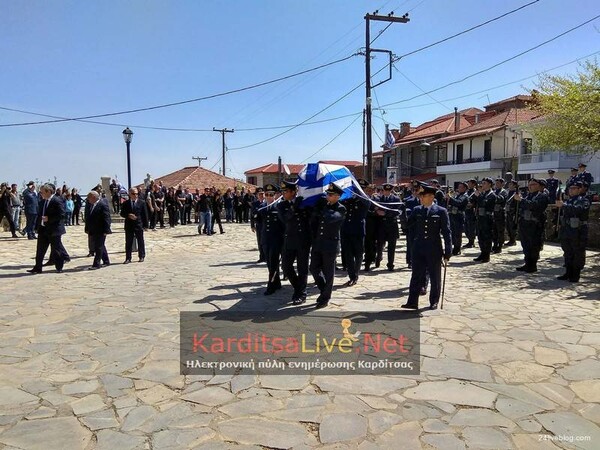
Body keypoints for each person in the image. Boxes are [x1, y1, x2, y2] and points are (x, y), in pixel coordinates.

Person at [401, 185, 452, 310]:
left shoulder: (441, 211)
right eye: (421, 196)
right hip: (418, 248)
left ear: (431, 197)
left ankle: (433, 301)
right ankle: (412, 301)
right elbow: (407, 225)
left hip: (434, 248)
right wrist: (401, 213)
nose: (421, 199)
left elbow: (446, 232)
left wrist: (448, 251)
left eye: (423, 196)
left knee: (435, 276)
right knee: (416, 275)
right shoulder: (417, 210)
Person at [310, 183, 346, 308]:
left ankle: (325, 297)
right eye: (327, 194)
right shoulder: (323, 206)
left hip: (330, 244)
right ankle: (323, 288)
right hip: (318, 243)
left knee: (328, 272)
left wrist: (323, 208)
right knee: (313, 268)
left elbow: (331, 218)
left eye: (331, 194)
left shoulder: (341, 208)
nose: (328, 196)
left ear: (338, 196)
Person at [277, 180, 312, 303]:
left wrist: (302, 204)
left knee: (302, 268)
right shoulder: (281, 205)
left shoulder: (304, 203)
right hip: (290, 240)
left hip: (303, 240)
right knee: (286, 267)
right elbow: (285, 219)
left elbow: (311, 218)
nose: (283, 193)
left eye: (285, 191)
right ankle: (299, 288)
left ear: (293, 192)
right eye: (282, 191)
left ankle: (301, 293)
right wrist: (294, 206)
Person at [27, 183, 68, 273]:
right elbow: (39, 215)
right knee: (40, 250)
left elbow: (62, 215)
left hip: (54, 229)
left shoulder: (56, 201)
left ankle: (59, 267)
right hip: (43, 229)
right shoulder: (42, 201)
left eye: (42, 192)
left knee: (56, 249)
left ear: (48, 192)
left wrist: (49, 219)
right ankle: (38, 267)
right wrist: (37, 226)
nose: (41, 194)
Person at [556, 181, 590, 282]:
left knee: (577, 252)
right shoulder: (568, 201)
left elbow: (579, 210)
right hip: (567, 229)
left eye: (574, 188)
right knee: (567, 251)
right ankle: (568, 272)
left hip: (578, 230)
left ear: (579, 189)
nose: (571, 190)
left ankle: (575, 274)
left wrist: (564, 206)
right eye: (570, 188)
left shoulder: (583, 200)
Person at [514, 178, 549, 273]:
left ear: (538, 186)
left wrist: (521, 200)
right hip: (525, 223)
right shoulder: (527, 195)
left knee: (534, 246)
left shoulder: (542, 196)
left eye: (533, 184)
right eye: (529, 185)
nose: (530, 186)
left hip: (535, 225)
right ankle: (527, 263)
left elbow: (534, 205)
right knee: (525, 245)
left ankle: (532, 265)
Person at [340, 179, 370, 285]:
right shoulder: (347, 199)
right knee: (348, 254)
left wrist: (359, 193)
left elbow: (367, 204)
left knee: (358, 254)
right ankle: (351, 275)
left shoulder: (364, 199)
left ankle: (355, 274)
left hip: (358, 230)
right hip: (346, 229)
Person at [259, 184, 284, 295]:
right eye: (267, 194)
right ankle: (277, 282)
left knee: (273, 262)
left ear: (275, 195)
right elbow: (259, 221)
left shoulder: (279, 206)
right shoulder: (262, 206)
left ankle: (271, 285)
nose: (269, 196)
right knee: (269, 263)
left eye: (271, 194)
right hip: (265, 239)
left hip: (276, 239)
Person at [375, 183, 401, 271]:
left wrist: (386, 213)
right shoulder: (379, 199)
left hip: (392, 225)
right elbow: (375, 209)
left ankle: (390, 264)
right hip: (381, 225)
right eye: (385, 190)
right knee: (379, 245)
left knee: (392, 246)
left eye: (389, 191)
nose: (387, 192)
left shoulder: (396, 199)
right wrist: (377, 212)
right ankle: (378, 259)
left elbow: (398, 211)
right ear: (383, 190)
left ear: (391, 191)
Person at [470, 178, 496, 263]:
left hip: (487, 219)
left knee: (487, 237)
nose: (483, 185)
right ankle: (482, 253)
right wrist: (475, 196)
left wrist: (479, 196)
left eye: (484, 183)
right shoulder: (483, 193)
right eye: (482, 183)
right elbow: (473, 202)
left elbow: (485, 203)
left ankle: (487, 255)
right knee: (480, 237)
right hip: (480, 218)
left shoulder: (492, 195)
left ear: (489, 184)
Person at [120, 188, 148, 263]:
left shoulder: (142, 202)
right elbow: (122, 213)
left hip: (138, 224)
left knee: (140, 241)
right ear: (129, 194)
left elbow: (145, 214)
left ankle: (141, 256)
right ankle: (128, 258)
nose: (135, 195)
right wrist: (128, 215)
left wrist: (146, 225)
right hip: (129, 225)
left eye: (136, 194)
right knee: (128, 242)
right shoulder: (126, 203)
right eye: (133, 194)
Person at [84, 190, 111, 269]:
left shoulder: (102, 205)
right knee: (100, 245)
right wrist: (87, 228)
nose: (88, 200)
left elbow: (107, 218)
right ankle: (106, 261)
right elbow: (88, 218)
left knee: (98, 247)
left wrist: (106, 230)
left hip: (101, 229)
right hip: (93, 229)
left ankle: (96, 264)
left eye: (89, 198)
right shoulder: (91, 205)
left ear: (93, 197)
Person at [445, 181, 468, 255]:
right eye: (459, 187)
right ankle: (454, 246)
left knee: (458, 233)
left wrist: (450, 198)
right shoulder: (457, 195)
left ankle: (457, 248)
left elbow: (459, 203)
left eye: (461, 187)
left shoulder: (465, 196)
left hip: (459, 216)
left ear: (465, 188)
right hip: (453, 215)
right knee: (453, 232)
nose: (459, 188)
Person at [402, 183, 421, 267]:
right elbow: (405, 215)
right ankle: (410, 261)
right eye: (415, 190)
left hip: (422, 226)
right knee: (410, 244)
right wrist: (404, 226)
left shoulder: (425, 200)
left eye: (418, 190)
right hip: (412, 226)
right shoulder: (408, 201)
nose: (416, 192)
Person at [363, 182, 380, 271]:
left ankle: (372, 258)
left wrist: (374, 212)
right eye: (367, 190)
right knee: (367, 244)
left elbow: (379, 212)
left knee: (373, 244)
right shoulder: (363, 199)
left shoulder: (377, 199)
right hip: (365, 224)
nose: (369, 192)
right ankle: (368, 260)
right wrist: (374, 212)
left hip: (374, 225)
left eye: (371, 190)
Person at [492, 178, 508, 254]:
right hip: (494, 213)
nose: (496, 184)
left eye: (498, 183)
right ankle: (495, 245)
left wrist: (493, 195)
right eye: (496, 183)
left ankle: (500, 245)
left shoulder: (504, 192)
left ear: (502, 184)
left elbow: (500, 199)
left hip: (500, 213)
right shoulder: (494, 191)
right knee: (494, 231)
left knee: (500, 231)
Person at [250, 188, 266, 262]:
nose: (261, 195)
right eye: (259, 194)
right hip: (259, 225)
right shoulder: (254, 204)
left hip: (266, 225)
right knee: (260, 241)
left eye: (262, 194)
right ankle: (261, 257)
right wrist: (252, 225)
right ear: (257, 195)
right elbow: (252, 215)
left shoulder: (267, 203)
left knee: (266, 241)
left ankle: (266, 256)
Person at [463, 179, 478, 248]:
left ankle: (471, 242)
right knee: (466, 228)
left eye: (469, 183)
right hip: (466, 211)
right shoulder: (467, 192)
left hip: (472, 212)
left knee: (471, 228)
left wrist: (472, 204)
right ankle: (469, 240)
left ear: (473, 184)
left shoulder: (475, 192)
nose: (468, 185)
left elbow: (475, 202)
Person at [504, 180, 519, 247]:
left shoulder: (516, 193)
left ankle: (513, 240)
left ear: (514, 185)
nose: (509, 186)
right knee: (508, 226)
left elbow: (517, 204)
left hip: (513, 212)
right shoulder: (508, 192)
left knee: (512, 227)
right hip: (507, 211)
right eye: (509, 184)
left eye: (511, 184)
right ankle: (510, 239)